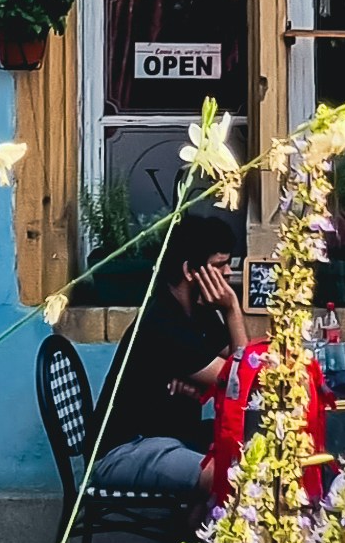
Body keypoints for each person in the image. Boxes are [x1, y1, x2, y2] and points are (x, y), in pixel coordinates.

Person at [93, 210, 250, 492]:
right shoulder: (163, 322)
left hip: (167, 438)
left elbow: (244, 363)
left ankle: (193, 525)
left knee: (246, 447)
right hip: (125, 450)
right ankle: (201, 526)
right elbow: (240, 382)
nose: (228, 273)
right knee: (231, 476)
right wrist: (233, 308)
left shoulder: (198, 312)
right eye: (220, 265)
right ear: (190, 270)